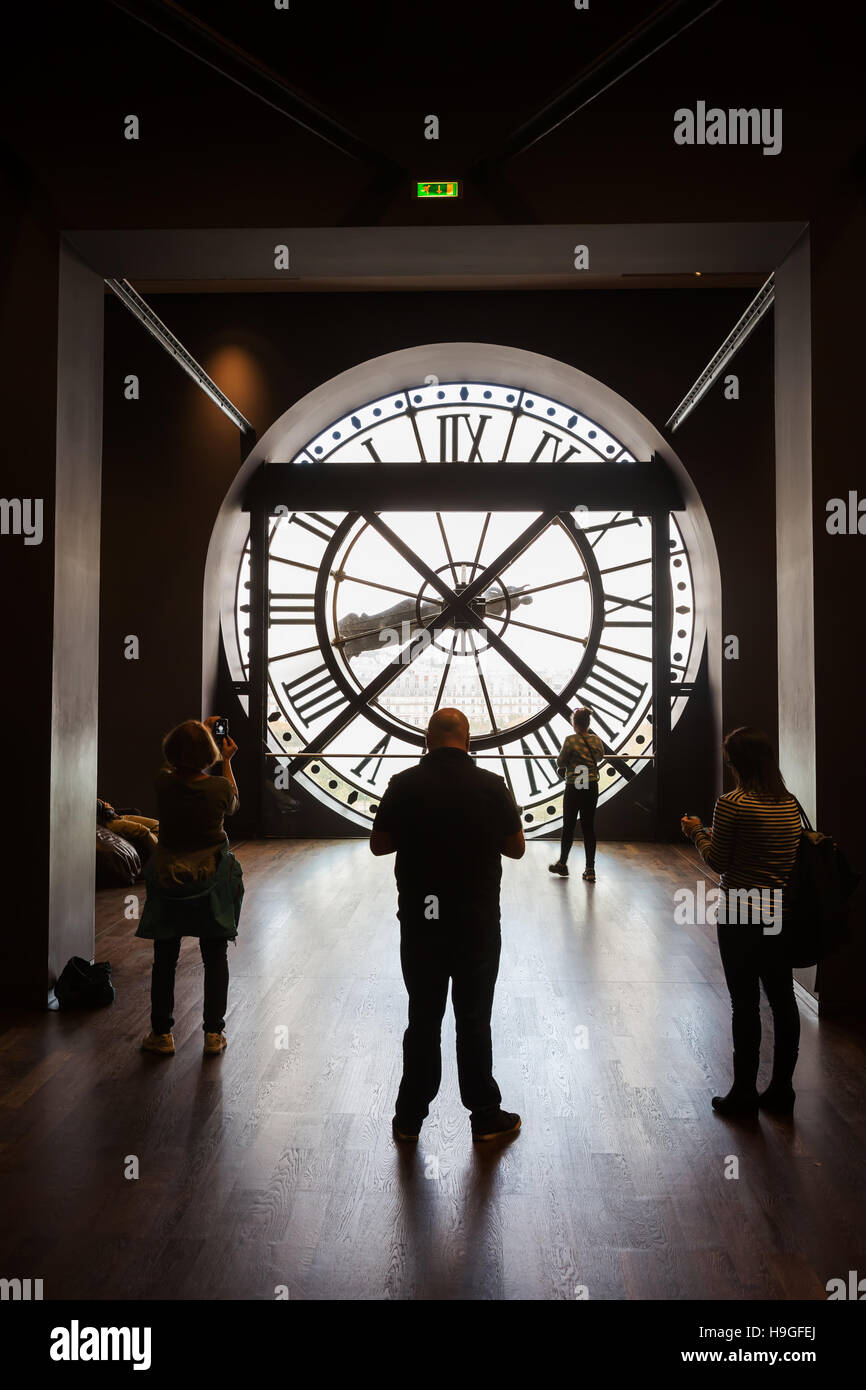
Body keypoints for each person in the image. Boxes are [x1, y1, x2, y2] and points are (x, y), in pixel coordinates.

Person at [370, 707, 525, 1143]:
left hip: (422, 921)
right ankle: (484, 1114)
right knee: (474, 1020)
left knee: (423, 1018)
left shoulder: (403, 785)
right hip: (476, 921)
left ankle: (409, 1117)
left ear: (426, 738)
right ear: (469, 739)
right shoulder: (492, 787)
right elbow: (515, 850)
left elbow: (379, 845)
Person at [681, 726, 802, 1117]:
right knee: (782, 1000)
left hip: (740, 912)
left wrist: (697, 831)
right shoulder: (789, 803)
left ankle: (744, 1092)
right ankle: (782, 1088)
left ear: (735, 761)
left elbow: (718, 860)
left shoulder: (731, 804)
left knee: (745, 1004)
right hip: (778, 912)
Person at [136, 717, 243, 1057]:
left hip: (167, 878)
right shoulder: (220, 789)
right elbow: (234, 803)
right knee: (215, 957)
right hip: (209, 880)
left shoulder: (162, 784)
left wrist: (197, 728)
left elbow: (172, 767)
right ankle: (213, 1033)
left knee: (164, 959)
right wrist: (226, 761)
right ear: (211, 752)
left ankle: (161, 1033)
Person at [549, 707, 605, 880]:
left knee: (569, 826)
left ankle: (563, 864)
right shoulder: (596, 741)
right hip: (591, 786)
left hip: (574, 787)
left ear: (574, 723)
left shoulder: (570, 740)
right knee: (588, 828)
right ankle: (590, 869)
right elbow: (599, 758)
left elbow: (561, 761)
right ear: (588, 723)